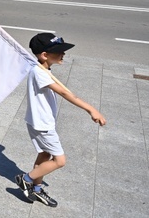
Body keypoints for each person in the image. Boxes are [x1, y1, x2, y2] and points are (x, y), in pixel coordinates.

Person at [16, 33, 106, 208]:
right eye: (59, 51)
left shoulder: (42, 68)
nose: (63, 54)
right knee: (59, 160)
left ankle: (37, 187)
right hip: (43, 125)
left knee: (44, 154)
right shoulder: (39, 72)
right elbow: (65, 93)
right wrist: (91, 109)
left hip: (38, 122)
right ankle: (26, 179)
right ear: (44, 55)